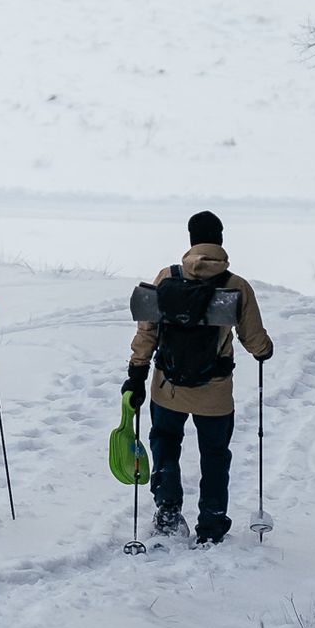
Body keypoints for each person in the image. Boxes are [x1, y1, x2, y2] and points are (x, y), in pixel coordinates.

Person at [122, 209, 273, 545]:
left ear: (191, 240)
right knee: (215, 455)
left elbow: (147, 331)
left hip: (167, 388)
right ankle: (212, 524)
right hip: (215, 393)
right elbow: (254, 341)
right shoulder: (236, 286)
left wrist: (136, 373)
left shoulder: (167, 276)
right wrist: (265, 350)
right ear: (220, 239)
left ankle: (168, 511)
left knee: (165, 444)